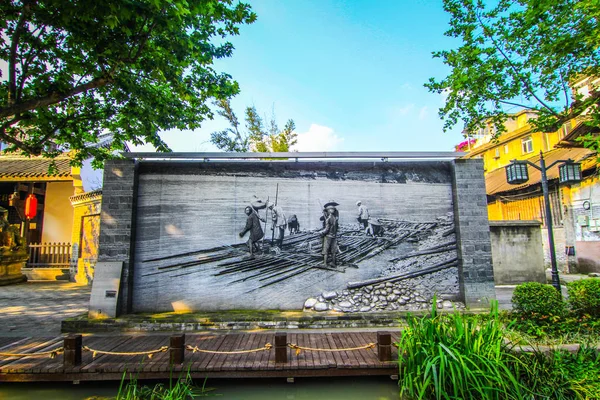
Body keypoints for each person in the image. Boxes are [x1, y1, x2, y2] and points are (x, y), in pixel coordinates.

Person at [319, 201, 339, 267]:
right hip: (334, 235)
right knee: (333, 251)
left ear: (328, 210)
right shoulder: (335, 218)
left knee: (325, 250)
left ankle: (325, 264)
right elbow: (336, 228)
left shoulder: (328, 218)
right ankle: (333, 263)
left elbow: (327, 229)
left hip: (328, 236)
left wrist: (321, 232)